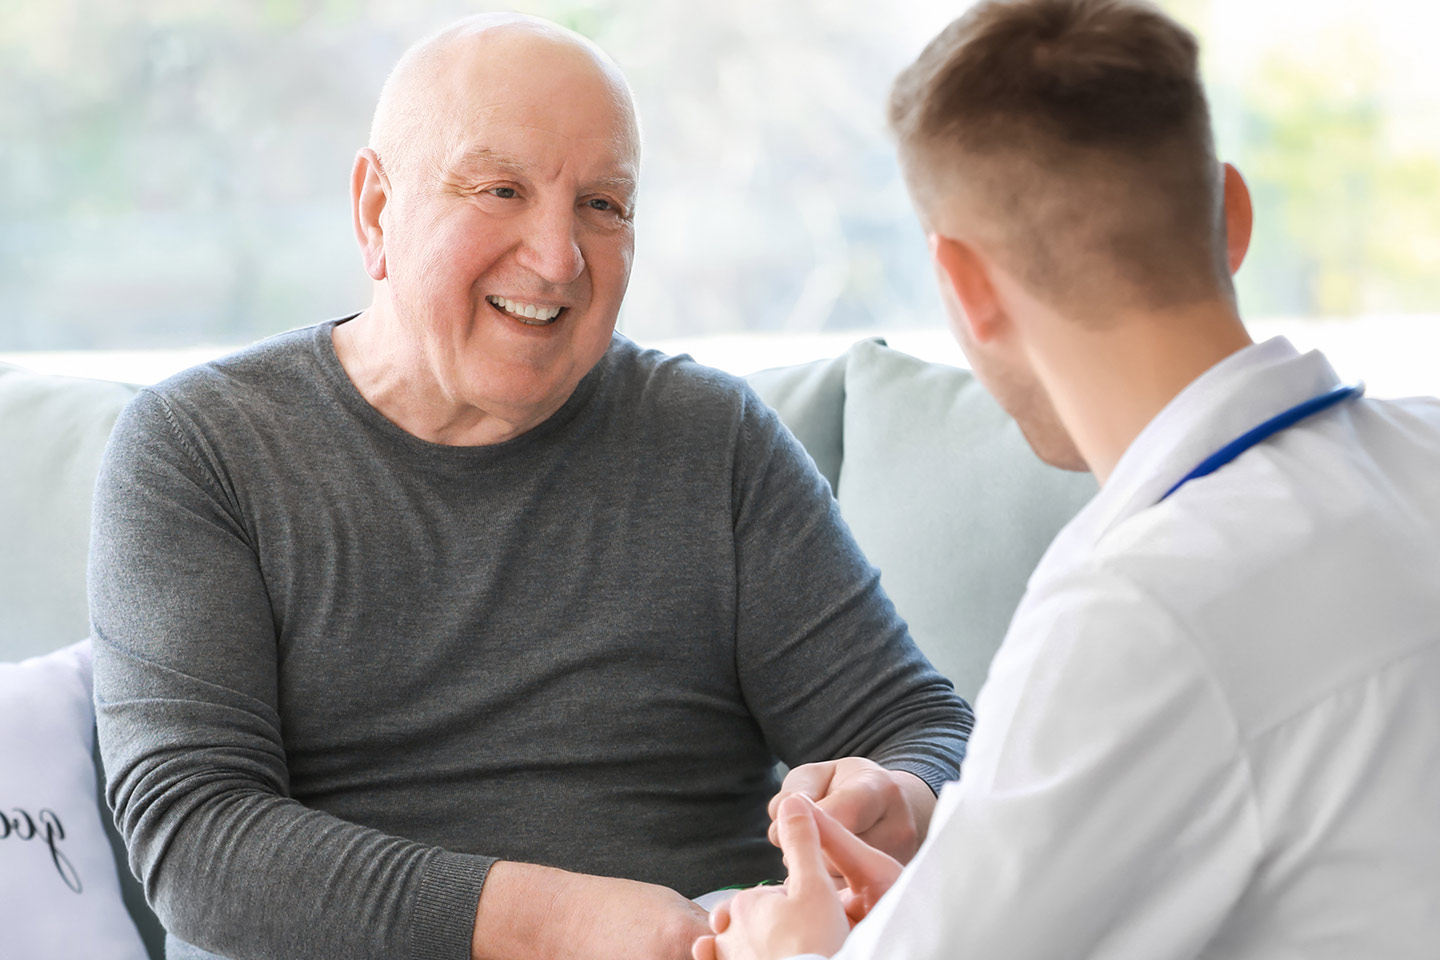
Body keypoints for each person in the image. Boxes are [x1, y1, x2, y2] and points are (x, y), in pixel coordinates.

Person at [87, 14, 973, 960]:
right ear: (377, 211)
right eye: (500, 189)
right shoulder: (202, 450)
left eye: (604, 204)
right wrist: (565, 926)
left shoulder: (712, 443)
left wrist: (901, 797)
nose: (558, 259)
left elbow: (916, 726)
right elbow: (194, 838)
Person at [694, 1, 1440, 958]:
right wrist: (926, 906)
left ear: (964, 284)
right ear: (1232, 213)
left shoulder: (1143, 612)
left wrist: (794, 952)